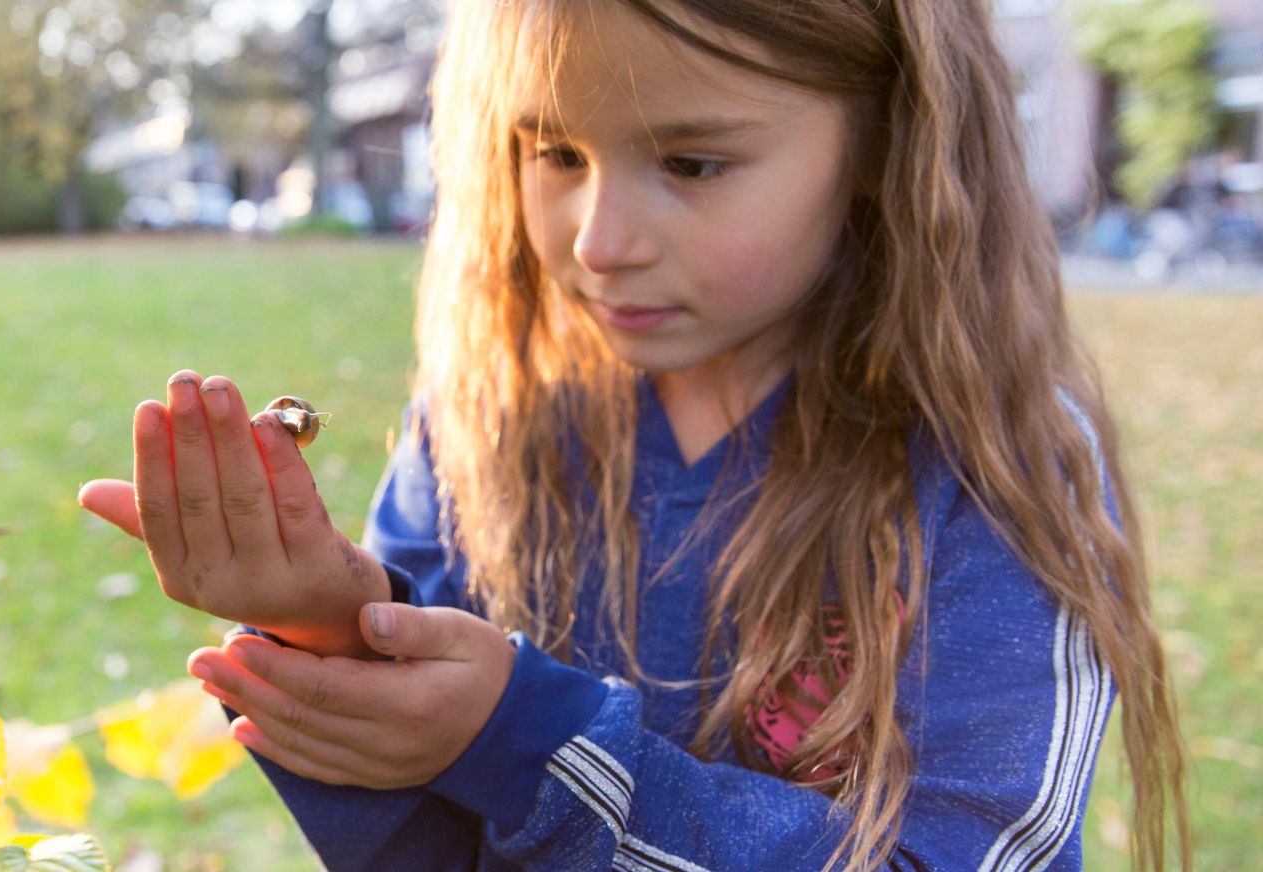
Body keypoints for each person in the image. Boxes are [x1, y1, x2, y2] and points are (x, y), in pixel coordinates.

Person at [78, 0, 1191, 869]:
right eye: (555, 153)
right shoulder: (480, 425)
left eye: (692, 163)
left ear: (884, 142)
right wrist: (327, 633)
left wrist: (528, 745)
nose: (598, 240)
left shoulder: (988, 470)